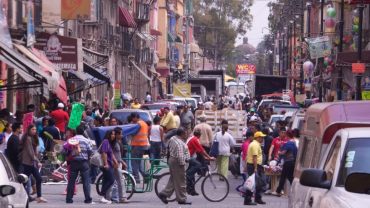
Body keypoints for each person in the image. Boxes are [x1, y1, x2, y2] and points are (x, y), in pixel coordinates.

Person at [158, 127, 191, 205]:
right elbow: (180, 156)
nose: (187, 135)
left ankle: (164, 194)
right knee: (181, 180)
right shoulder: (179, 143)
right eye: (185, 133)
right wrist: (183, 164)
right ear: (182, 134)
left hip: (172, 160)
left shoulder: (173, 138)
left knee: (174, 179)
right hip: (177, 162)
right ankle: (182, 199)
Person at [63, 125, 93, 204]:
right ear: (83, 132)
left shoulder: (71, 140)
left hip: (73, 162)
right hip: (84, 163)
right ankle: (87, 199)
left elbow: (64, 149)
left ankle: (69, 199)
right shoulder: (87, 140)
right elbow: (90, 151)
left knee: (71, 181)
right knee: (86, 181)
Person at [20, 125, 47, 203]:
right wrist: (38, 161)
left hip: (31, 163)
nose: (34, 131)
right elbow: (30, 152)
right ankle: (37, 196)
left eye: (35, 129)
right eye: (32, 129)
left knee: (26, 181)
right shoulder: (27, 138)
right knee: (25, 181)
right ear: (29, 130)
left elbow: (35, 151)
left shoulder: (33, 138)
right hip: (28, 163)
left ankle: (39, 197)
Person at [186, 129, 214, 196]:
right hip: (187, 156)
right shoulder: (195, 139)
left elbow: (199, 150)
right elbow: (201, 150)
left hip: (189, 156)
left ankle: (191, 190)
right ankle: (188, 175)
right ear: (199, 135)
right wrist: (209, 157)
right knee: (198, 165)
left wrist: (205, 157)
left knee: (193, 172)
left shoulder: (193, 138)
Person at [244, 131, 266, 205]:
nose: (263, 138)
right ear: (258, 138)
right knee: (252, 183)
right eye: (261, 137)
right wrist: (256, 168)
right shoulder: (255, 145)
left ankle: (257, 198)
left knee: (258, 183)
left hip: (255, 165)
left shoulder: (256, 144)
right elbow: (254, 157)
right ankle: (248, 200)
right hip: (254, 166)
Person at [274, 130, 298, 196]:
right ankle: (294, 191)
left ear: (287, 135)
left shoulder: (288, 143)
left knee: (283, 177)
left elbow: (284, 152)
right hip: (293, 162)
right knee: (290, 177)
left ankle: (278, 191)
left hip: (288, 162)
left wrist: (279, 153)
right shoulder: (294, 143)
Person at [99, 130, 119, 204]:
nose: (113, 136)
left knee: (105, 181)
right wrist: (106, 164)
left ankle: (103, 197)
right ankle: (102, 193)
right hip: (107, 165)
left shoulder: (109, 143)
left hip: (109, 164)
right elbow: (104, 153)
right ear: (108, 134)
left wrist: (115, 161)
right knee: (111, 180)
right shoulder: (105, 141)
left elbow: (111, 154)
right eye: (112, 134)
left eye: (114, 134)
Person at [110, 127, 129, 203]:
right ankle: (119, 197)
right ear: (117, 134)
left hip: (118, 163)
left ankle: (118, 197)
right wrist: (116, 162)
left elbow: (118, 154)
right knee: (118, 181)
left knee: (119, 181)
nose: (122, 135)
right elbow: (112, 154)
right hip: (116, 164)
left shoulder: (118, 142)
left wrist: (122, 162)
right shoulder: (114, 143)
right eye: (120, 134)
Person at [130, 113, 150, 183]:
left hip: (137, 145)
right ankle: (146, 176)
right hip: (144, 145)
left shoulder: (137, 124)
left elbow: (132, 133)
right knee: (139, 162)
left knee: (134, 163)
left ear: (136, 117)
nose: (132, 120)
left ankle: (136, 179)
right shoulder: (144, 123)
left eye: (133, 118)